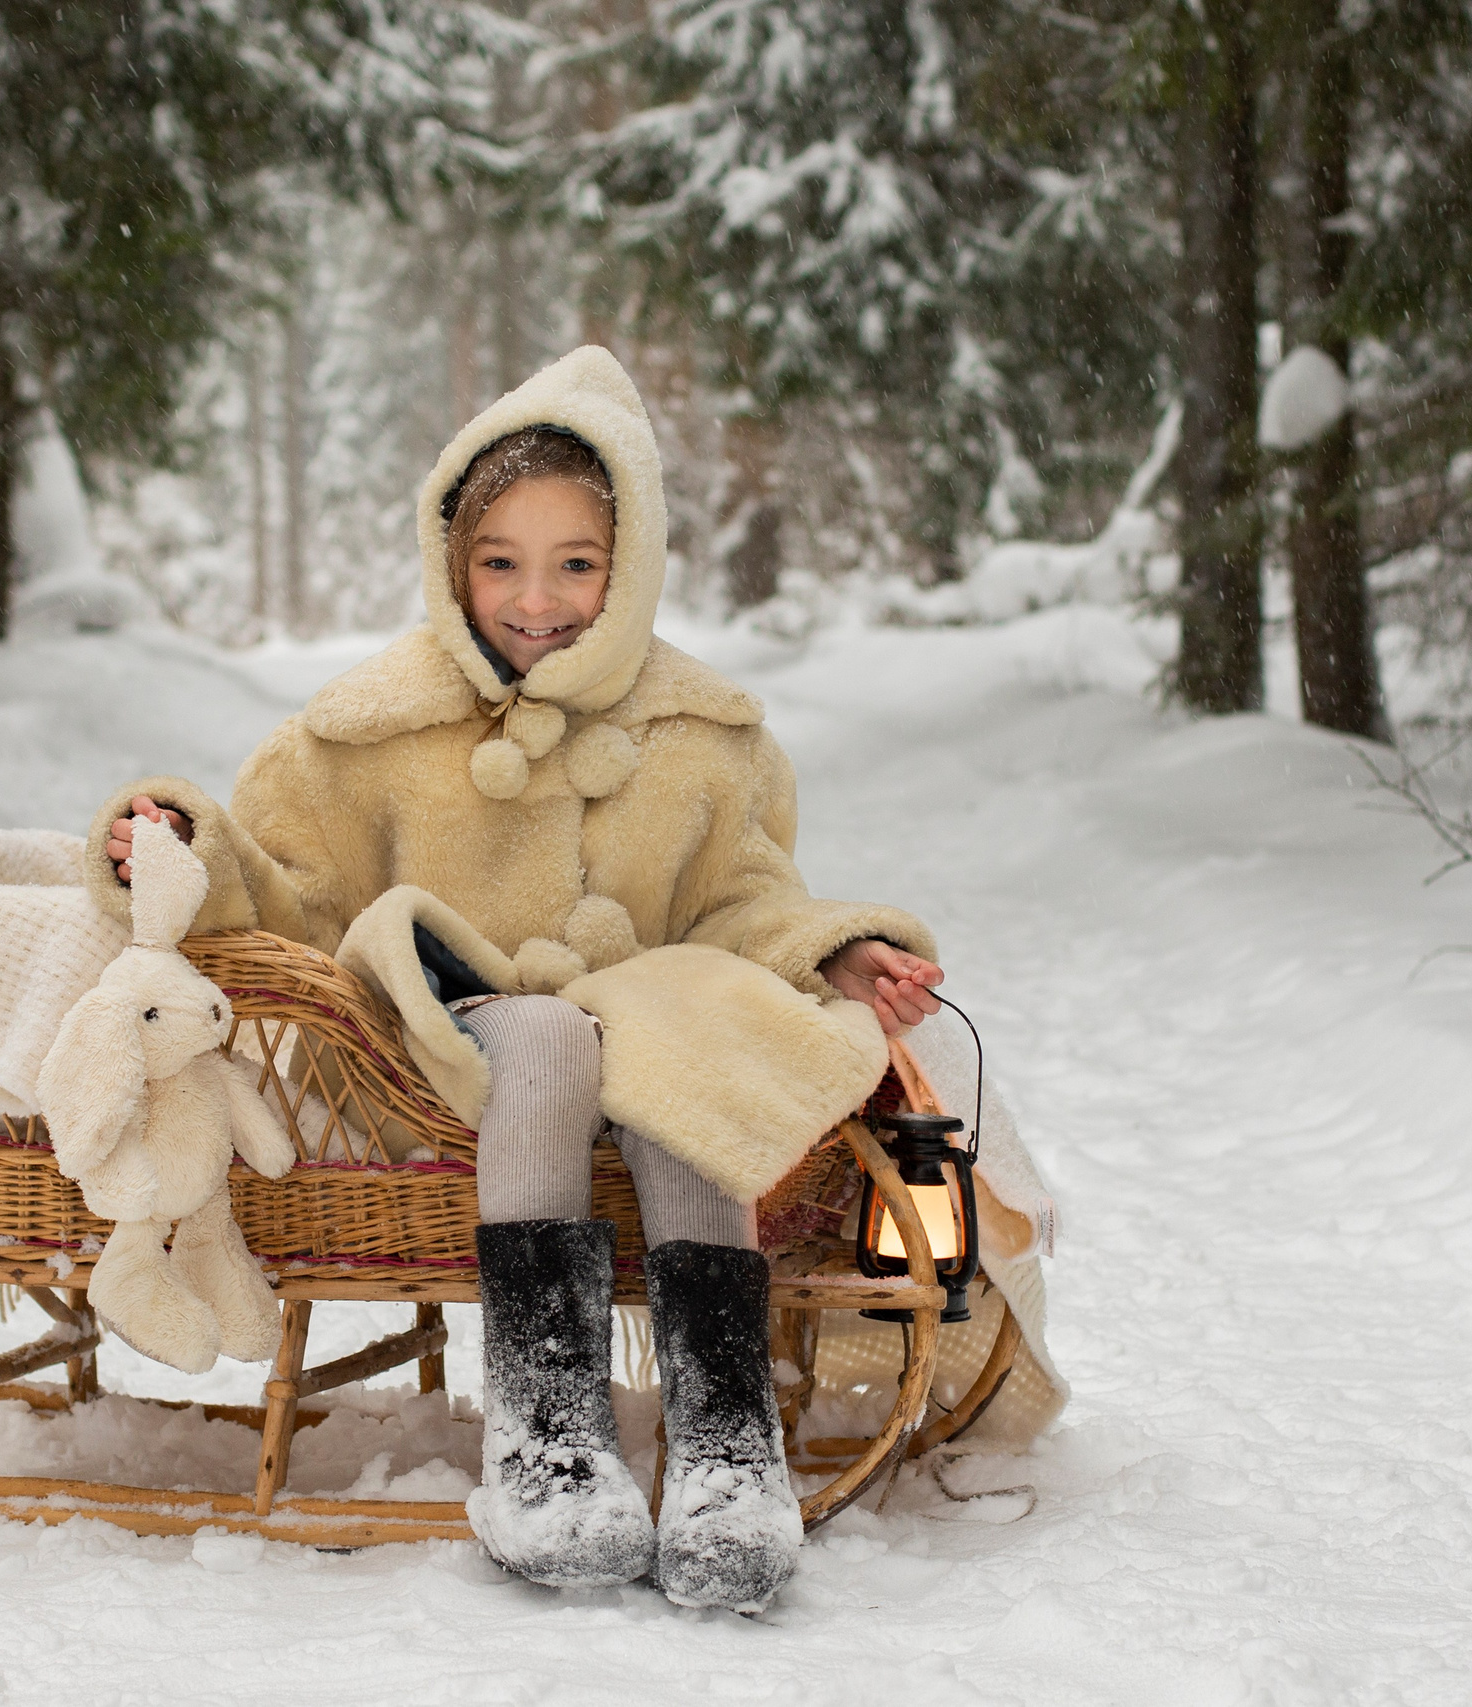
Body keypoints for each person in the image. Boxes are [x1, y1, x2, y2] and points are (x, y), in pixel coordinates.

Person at [85, 347, 942, 1613]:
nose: (535, 600)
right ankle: (546, 1437)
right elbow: (286, 893)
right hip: (447, 1048)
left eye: (576, 564)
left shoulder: (705, 737)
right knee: (545, 1033)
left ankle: (723, 1445)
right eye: (499, 562)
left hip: (647, 1027)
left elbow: (741, 903)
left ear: (631, 562)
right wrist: (180, 845)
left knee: (693, 1025)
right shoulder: (369, 730)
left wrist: (834, 949)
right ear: (450, 561)